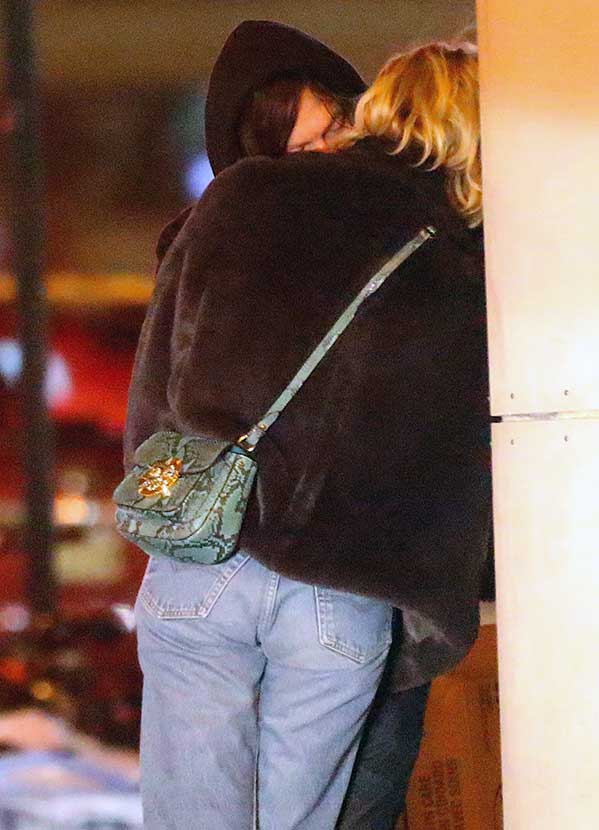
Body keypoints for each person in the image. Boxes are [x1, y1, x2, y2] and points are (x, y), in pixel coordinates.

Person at [124, 26, 490, 830]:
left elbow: (159, 374)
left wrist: (169, 502)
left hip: (207, 551)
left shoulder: (244, 195)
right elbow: (455, 463)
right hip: (346, 582)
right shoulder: (463, 255)